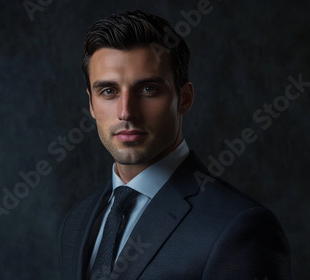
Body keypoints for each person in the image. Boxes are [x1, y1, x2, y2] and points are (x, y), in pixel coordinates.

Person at [59, 10, 291, 280]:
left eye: (147, 89)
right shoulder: (76, 223)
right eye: (108, 91)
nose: (126, 112)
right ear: (91, 104)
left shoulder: (240, 228)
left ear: (185, 98)